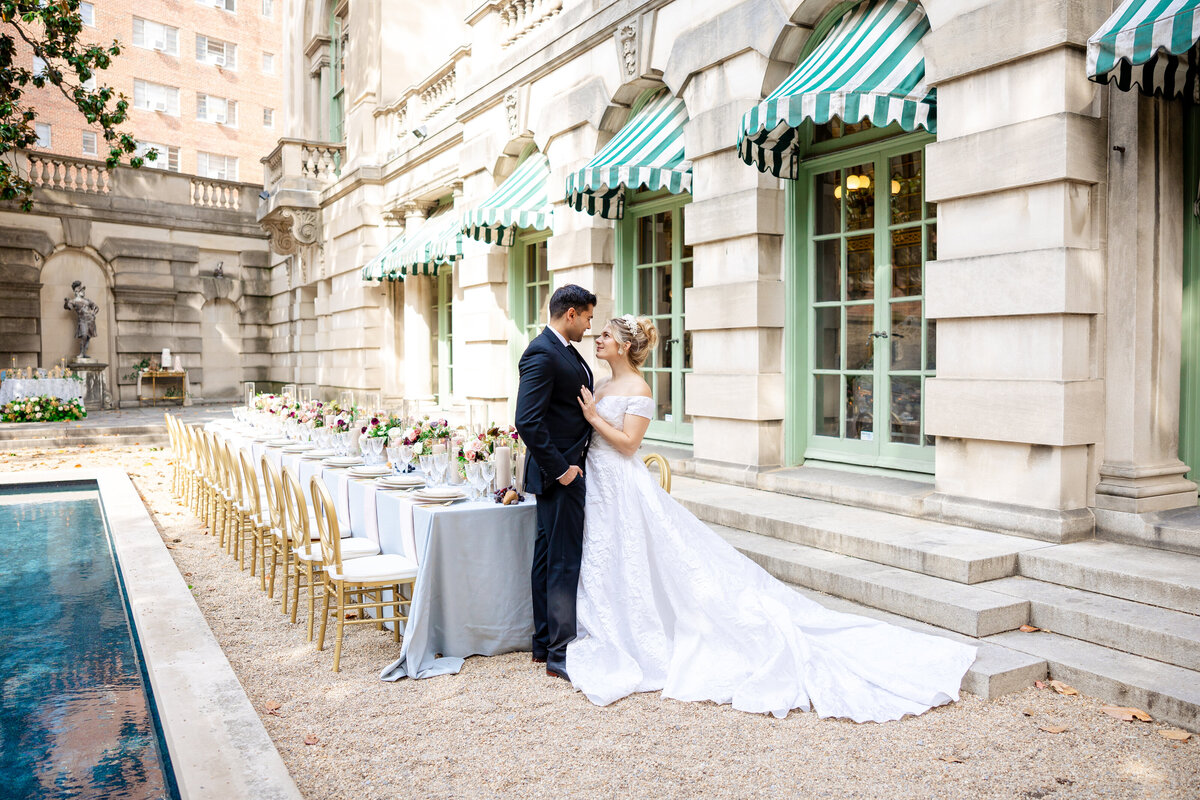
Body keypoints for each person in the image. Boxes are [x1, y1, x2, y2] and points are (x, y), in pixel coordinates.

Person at [563, 314, 978, 722]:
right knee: (613, 556)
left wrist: (595, 418)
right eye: (598, 334)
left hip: (622, 481)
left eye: (605, 335)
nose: (597, 339)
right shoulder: (601, 382)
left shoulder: (639, 387)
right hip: (599, 483)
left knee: (641, 553)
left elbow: (631, 445)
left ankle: (647, 637)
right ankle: (613, 627)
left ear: (625, 345)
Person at [514, 284, 596, 681]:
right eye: (588, 317)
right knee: (562, 562)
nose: (590, 326)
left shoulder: (562, 349)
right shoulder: (542, 352)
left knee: (548, 558)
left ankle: (545, 642)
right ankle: (560, 653)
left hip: (563, 471)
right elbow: (527, 421)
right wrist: (562, 469)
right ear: (571, 314)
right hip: (559, 474)